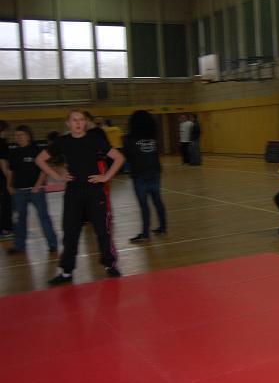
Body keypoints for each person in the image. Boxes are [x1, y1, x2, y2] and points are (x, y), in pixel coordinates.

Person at [35, 109, 126, 285]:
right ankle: (66, 272)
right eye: (74, 120)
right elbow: (40, 159)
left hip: (94, 192)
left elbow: (119, 158)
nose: (78, 123)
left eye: (81, 119)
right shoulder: (63, 141)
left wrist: (106, 177)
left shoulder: (95, 139)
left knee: (102, 230)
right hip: (73, 193)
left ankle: (109, 264)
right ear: (68, 123)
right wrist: (57, 176)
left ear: (85, 122)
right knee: (70, 233)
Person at [5, 126, 58, 255]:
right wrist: (9, 185)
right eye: (16, 135)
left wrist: (38, 185)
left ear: (28, 136)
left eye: (21, 135)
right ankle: (19, 246)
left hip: (36, 191)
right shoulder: (14, 152)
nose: (18, 137)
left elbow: (44, 170)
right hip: (19, 191)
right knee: (19, 219)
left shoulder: (37, 150)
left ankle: (52, 244)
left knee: (43, 217)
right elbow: (11, 171)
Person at [124, 110, 167, 243]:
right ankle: (163, 227)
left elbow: (128, 155)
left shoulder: (129, 138)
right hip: (154, 172)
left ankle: (145, 233)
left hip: (140, 174)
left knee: (144, 204)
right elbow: (156, 152)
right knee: (157, 200)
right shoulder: (153, 137)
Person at [0, 120, 13, 239]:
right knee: (6, 203)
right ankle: (6, 228)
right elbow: (3, 162)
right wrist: (9, 179)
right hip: (2, 179)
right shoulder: (2, 143)